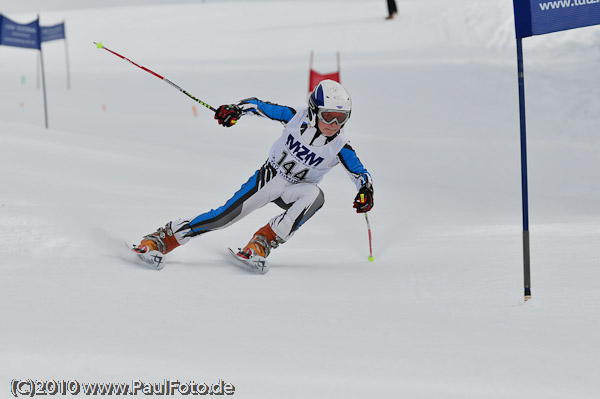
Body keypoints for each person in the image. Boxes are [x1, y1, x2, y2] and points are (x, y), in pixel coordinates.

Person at [133, 80, 374, 271]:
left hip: (297, 189)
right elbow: (257, 105)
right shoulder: (294, 116)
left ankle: (263, 241)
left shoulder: (340, 146)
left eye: (340, 118)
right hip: (270, 177)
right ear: (314, 111)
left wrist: (365, 192)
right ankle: (163, 238)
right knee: (224, 218)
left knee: (315, 196)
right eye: (328, 116)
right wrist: (235, 110)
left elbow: (360, 174)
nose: (333, 123)